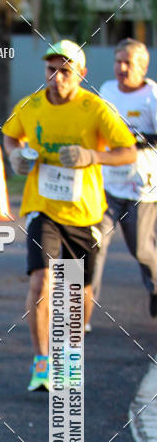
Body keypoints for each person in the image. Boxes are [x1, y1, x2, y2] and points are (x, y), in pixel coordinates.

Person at [2, 40, 136, 391]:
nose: (57, 77)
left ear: (81, 74)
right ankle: (42, 361)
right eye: (51, 70)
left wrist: (93, 156)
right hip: (42, 208)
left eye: (66, 70)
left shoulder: (95, 108)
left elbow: (128, 152)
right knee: (41, 281)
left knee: (77, 291)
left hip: (84, 213)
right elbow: (10, 136)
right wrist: (16, 156)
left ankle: (70, 356)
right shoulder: (30, 106)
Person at [92, 38, 157, 319]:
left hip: (140, 188)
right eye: (117, 61)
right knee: (94, 245)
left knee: (142, 250)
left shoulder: (152, 97)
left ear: (142, 67)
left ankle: (155, 288)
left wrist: (133, 140)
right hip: (107, 184)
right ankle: (82, 314)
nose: (120, 67)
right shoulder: (106, 90)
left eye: (127, 63)